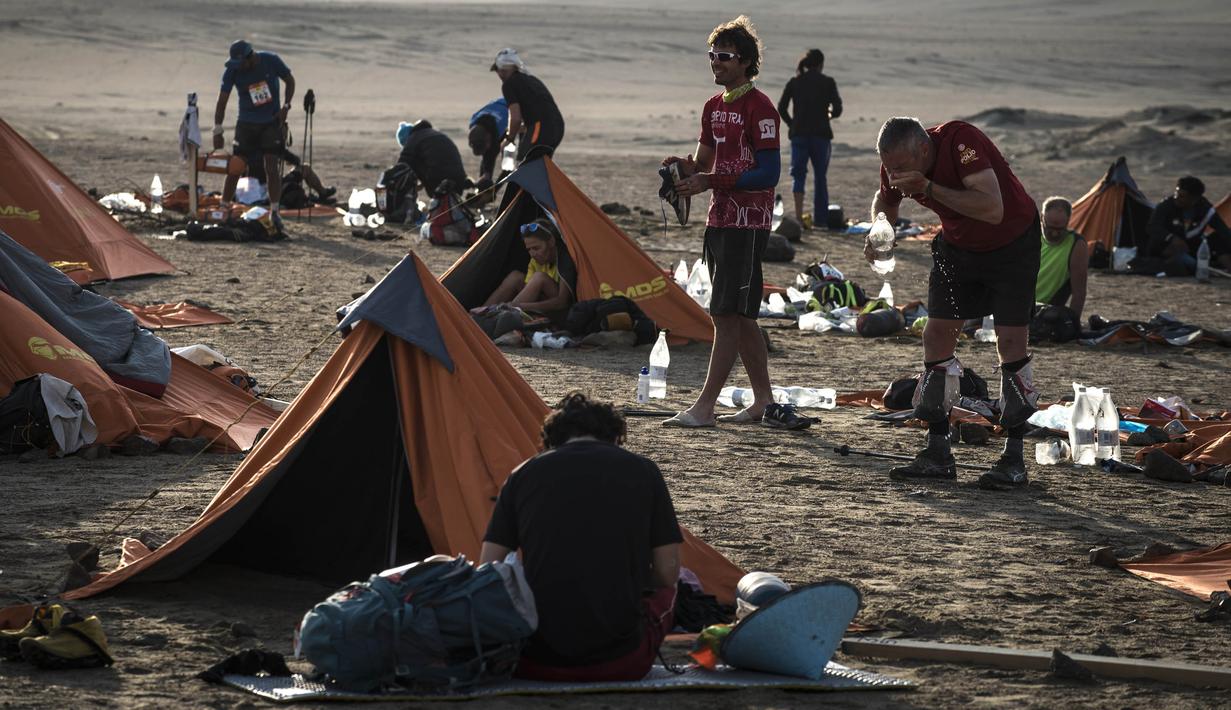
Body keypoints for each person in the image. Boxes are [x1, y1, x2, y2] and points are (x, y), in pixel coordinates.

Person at [868, 117, 1041, 489]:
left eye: (901, 167)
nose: (895, 174)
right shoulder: (897, 165)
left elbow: (992, 208)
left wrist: (929, 187)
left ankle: (1013, 459)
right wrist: (881, 227)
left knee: (1010, 343)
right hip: (958, 248)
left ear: (924, 149)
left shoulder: (961, 142)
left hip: (1012, 244)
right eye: (890, 167)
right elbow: (886, 200)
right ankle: (937, 450)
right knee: (936, 337)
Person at [661, 16, 804, 431]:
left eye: (723, 56)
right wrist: (679, 169)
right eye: (712, 55)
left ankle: (704, 408)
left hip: (748, 222)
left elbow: (769, 173)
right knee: (740, 318)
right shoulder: (712, 107)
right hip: (719, 218)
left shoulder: (760, 108)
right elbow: (702, 162)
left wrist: (710, 180)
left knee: (725, 314)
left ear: (745, 62)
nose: (715, 63)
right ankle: (762, 401)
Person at [479, 392, 682, 681]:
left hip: (534, 662)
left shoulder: (522, 474)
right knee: (679, 585)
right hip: (623, 662)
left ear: (552, 441)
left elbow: (489, 568)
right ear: (614, 438)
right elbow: (666, 573)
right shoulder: (643, 470)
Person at [212, 40, 294, 222]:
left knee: (271, 167)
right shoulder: (233, 70)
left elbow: (290, 80)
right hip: (246, 125)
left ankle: (274, 211)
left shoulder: (271, 61)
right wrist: (217, 129)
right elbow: (222, 100)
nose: (238, 67)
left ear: (250, 58)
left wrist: (286, 107)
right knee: (236, 166)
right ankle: (223, 206)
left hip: (271, 123)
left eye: (240, 63)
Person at [777, 49, 842, 228]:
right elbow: (837, 109)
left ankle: (798, 217)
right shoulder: (828, 82)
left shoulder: (795, 82)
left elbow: (781, 107)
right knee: (820, 177)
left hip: (799, 135)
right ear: (821, 64)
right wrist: (827, 114)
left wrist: (793, 124)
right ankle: (820, 220)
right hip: (821, 135)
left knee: (798, 175)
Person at [480, 217, 573, 312]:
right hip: (541, 302)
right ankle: (478, 316)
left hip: (562, 309)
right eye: (529, 249)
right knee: (515, 277)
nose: (532, 254)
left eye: (536, 248)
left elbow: (563, 302)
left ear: (551, 242)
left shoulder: (565, 258)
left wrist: (519, 306)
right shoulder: (535, 261)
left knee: (539, 277)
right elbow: (529, 291)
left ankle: (507, 314)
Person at [490, 48, 565, 163]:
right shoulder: (531, 79)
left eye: (498, 70)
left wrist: (509, 139)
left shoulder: (509, 84)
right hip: (558, 127)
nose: (499, 75)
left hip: (541, 127)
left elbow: (515, 118)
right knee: (540, 165)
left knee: (524, 163)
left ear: (502, 70)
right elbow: (539, 109)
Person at [1146, 176, 1231, 272]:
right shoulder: (1165, 206)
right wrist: (1171, 238)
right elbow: (1152, 227)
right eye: (1176, 193)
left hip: (1192, 247)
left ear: (1194, 199)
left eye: (1182, 196)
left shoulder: (1205, 209)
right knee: (1189, 263)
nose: (1177, 198)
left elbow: (1223, 230)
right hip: (1167, 247)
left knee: (1218, 238)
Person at [1035, 196, 1088, 320]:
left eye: (1060, 229)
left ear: (1068, 221)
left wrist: (1073, 324)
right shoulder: (1031, 236)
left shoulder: (1076, 245)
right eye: (1050, 228)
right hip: (1018, 304)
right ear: (1042, 218)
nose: (1054, 233)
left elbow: (1079, 293)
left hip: (1044, 312)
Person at [468, 97, 509, 196]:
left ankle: (491, 193)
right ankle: (484, 192)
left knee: (508, 166)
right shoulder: (473, 123)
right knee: (487, 160)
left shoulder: (496, 135)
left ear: (488, 139)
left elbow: (490, 157)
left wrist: (487, 176)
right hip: (498, 106)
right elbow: (487, 156)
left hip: (517, 111)